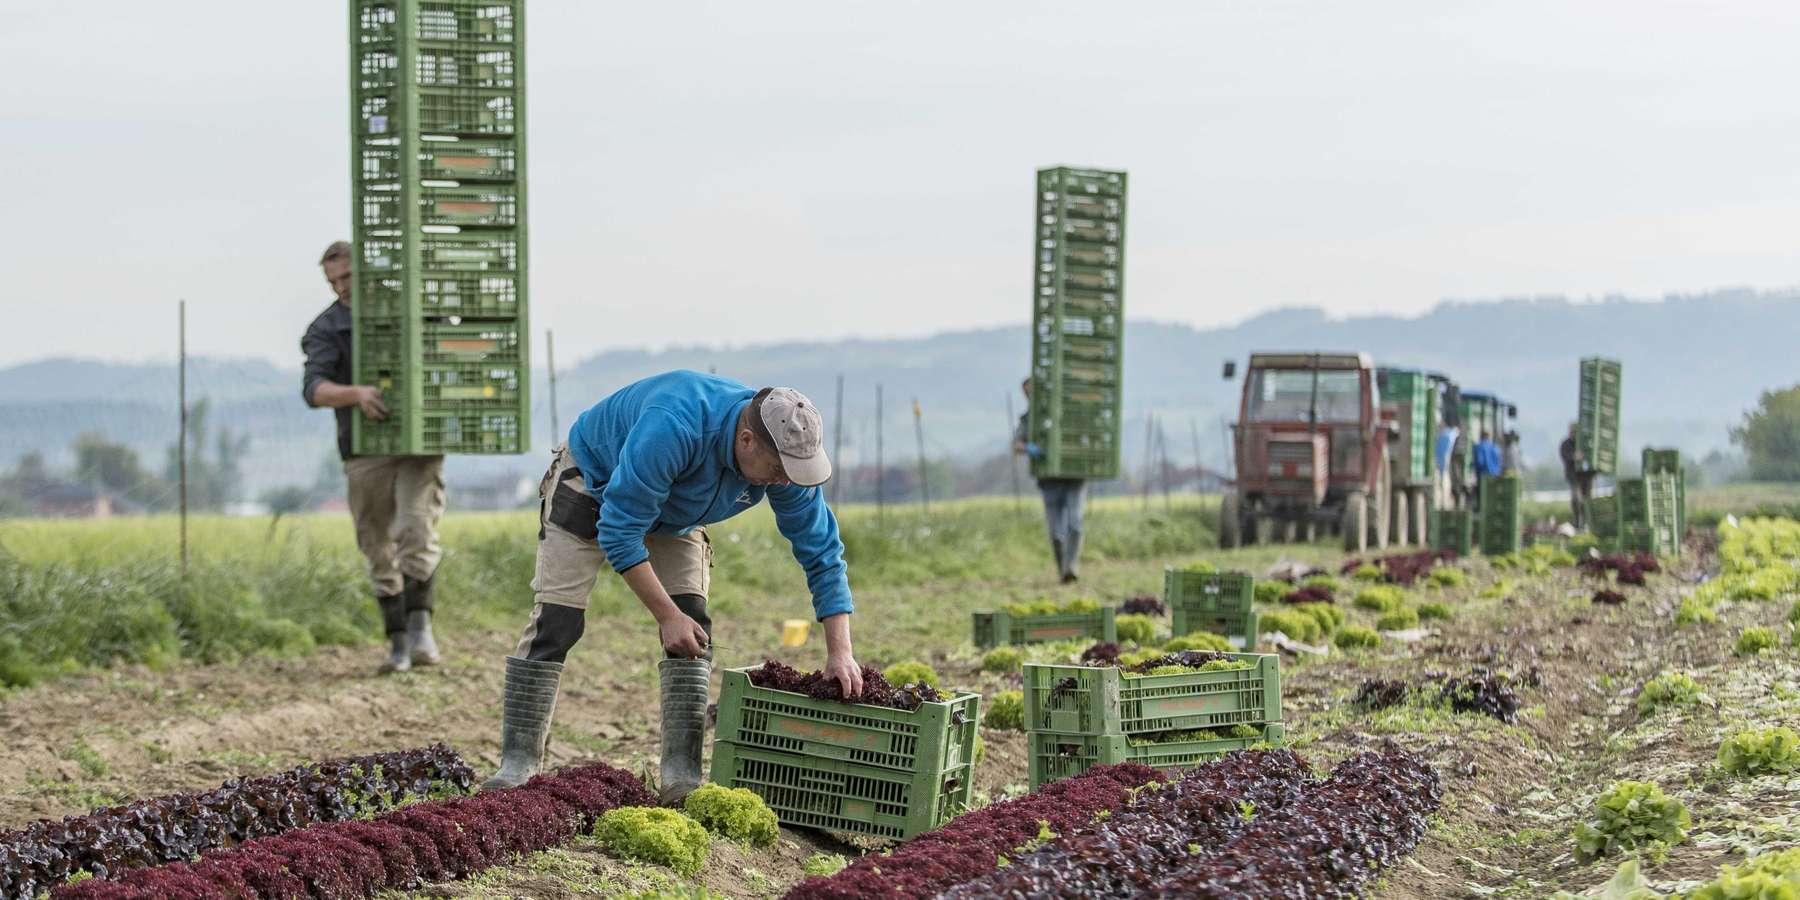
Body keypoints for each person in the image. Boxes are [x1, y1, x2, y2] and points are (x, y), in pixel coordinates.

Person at [483, 371, 858, 804]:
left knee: (692, 628)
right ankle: (517, 765)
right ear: (748, 439)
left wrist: (840, 652)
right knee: (558, 620)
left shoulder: (785, 467)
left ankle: (681, 774)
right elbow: (620, 530)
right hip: (593, 484)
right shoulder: (676, 425)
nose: (783, 481)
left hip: (678, 510)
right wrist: (665, 616)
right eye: (777, 470)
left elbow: (822, 553)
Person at [302, 240, 445, 675]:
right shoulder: (326, 328)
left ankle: (421, 633)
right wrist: (357, 394)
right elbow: (314, 390)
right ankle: (397, 641)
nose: (341, 287)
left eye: (346, 277)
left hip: (417, 444)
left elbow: (448, 338)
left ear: (363, 272)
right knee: (376, 542)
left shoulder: (407, 308)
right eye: (333, 281)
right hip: (363, 449)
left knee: (416, 528)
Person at [1013, 377, 1086, 584]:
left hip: (1074, 477)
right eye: (1027, 394)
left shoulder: (1070, 413)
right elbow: (1016, 444)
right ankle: (1063, 570)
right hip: (1049, 481)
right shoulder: (1028, 419)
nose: (1030, 397)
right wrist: (1028, 448)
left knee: (1075, 523)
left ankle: (1071, 566)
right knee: (1056, 532)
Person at [1560, 423, 1595, 529]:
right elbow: (1565, 456)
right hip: (1573, 476)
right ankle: (1577, 521)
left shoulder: (1586, 443)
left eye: (1575, 432)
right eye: (1571, 432)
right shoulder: (1566, 444)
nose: (1573, 434)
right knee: (1576, 499)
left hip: (1586, 476)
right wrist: (1574, 456)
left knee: (1586, 500)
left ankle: (1585, 522)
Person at [1434, 421, 1460, 510]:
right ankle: (1443, 506)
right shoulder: (1449, 437)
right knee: (1444, 485)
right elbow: (1445, 454)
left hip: (1439, 465)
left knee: (1442, 486)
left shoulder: (1445, 436)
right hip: (1442, 467)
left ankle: (1443, 505)